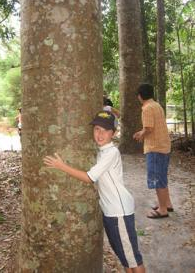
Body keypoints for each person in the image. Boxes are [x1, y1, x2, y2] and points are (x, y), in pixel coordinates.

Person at [44, 111, 145, 273]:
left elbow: (89, 178)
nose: (100, 134)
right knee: (125, 257)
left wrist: (61, 166)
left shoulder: (111, 153)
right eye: (97, 129)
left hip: (119, 212)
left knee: (133, 258)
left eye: (105, 130)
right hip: (111, 212)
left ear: (114, 133)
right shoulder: (102, 151)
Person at [133, 83, 173, 219]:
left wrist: (140, 134)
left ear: (140, 96)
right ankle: (167, 203)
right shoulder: (156, 105)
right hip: (164, 146)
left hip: (155, 148)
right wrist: (142, 132)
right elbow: (152, 127)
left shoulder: (147, 108)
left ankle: (162, 210)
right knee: (162, 176)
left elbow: (149, 128)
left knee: (157, 179)